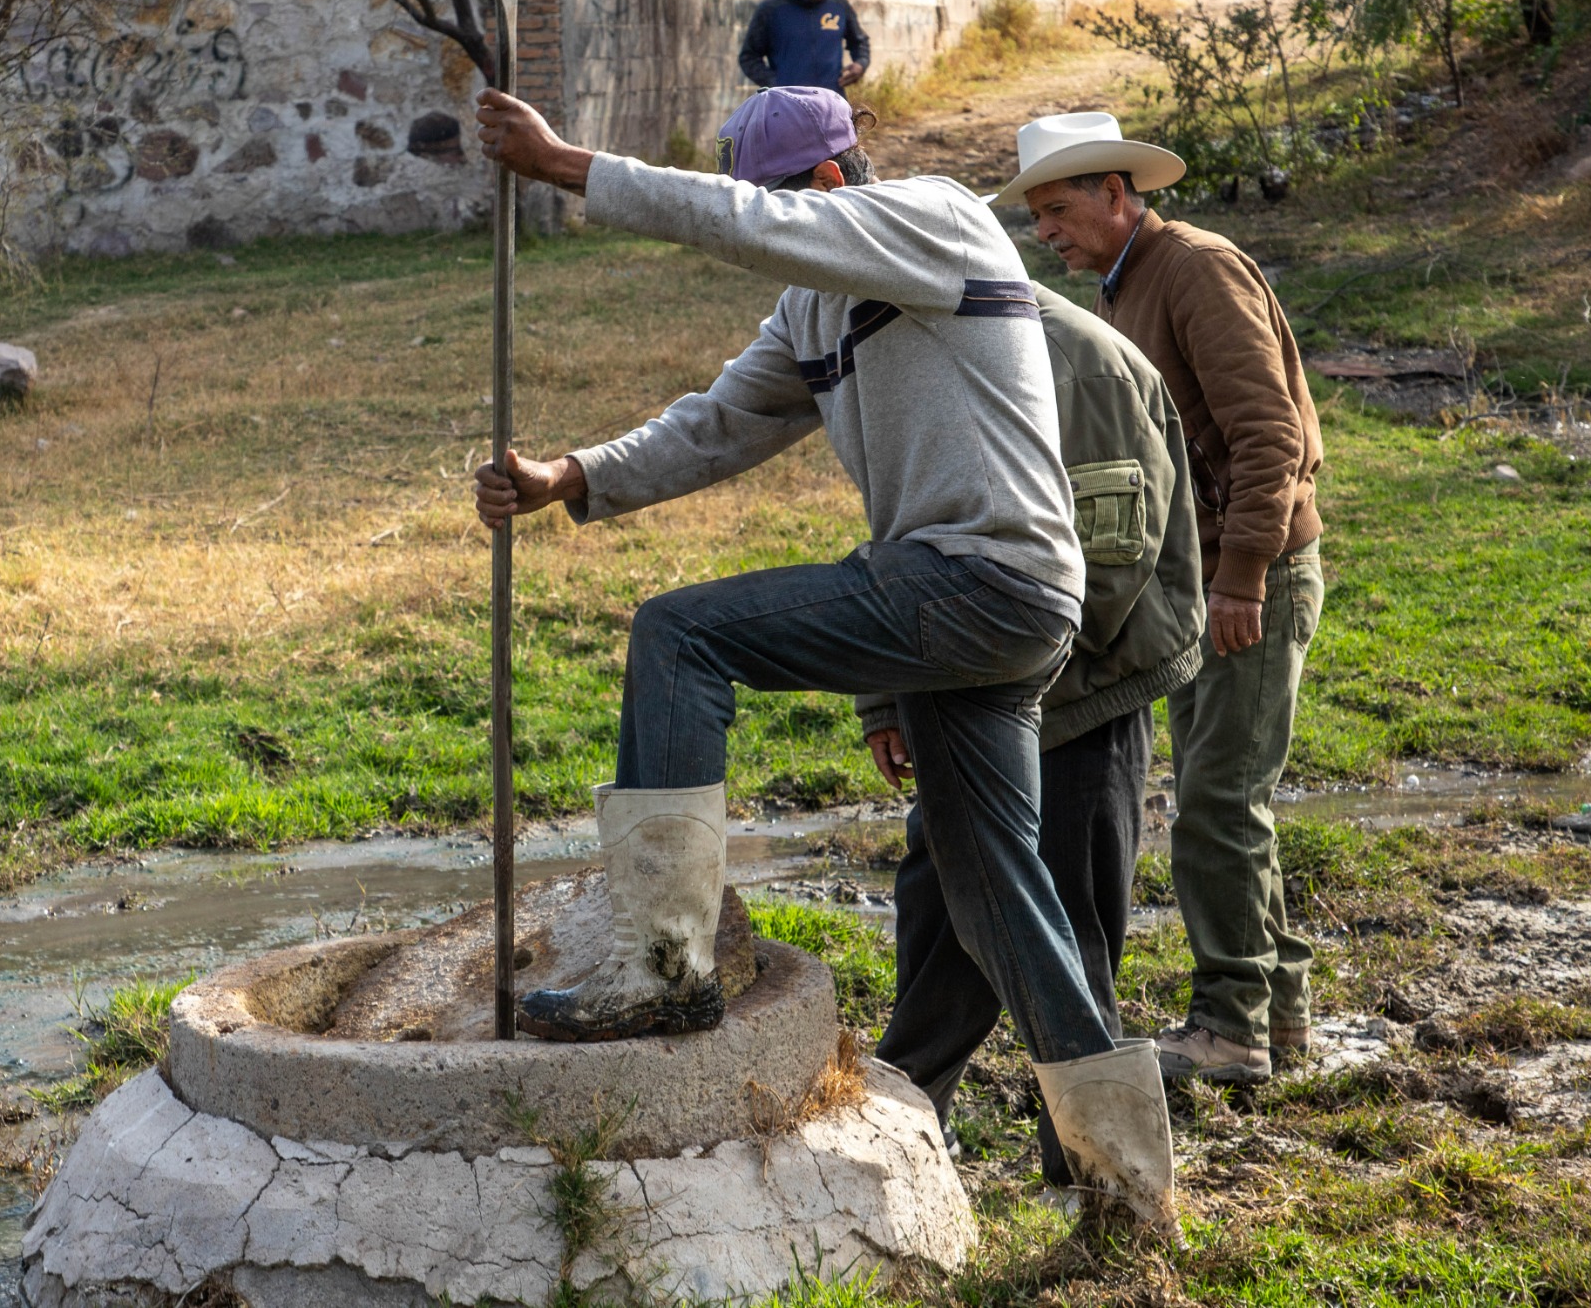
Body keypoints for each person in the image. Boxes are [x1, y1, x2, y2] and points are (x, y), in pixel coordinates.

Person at [471, 83, 1177, 1237]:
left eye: (793, 199)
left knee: (678, 630)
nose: (782, 222)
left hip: (983, 576)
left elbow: (761, 226)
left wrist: (568, 168)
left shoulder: (933, 216)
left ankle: (660, 965)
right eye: (772, 202)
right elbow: (718, 421)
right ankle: (1127, 1192)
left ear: (841, 181)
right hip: (978, 611)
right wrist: (574, 475)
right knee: (997, 886)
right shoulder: (813, 310)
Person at [1008, 112, 1327, 1086]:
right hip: (1202, 579)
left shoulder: (1193, 266)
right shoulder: (1123, 283)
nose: (1045, 232)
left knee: (1218, 801)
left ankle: (1229, 1025)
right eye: (1034, 217)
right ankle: (1279, 1021)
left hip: (1251, 576)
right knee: (1223, 797)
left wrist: (1239, 575)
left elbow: (1269, 432)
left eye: (1058, 209)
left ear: (1116, 192)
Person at [872, 267, 1207, 1188]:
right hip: (970, 677)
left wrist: (994, 693)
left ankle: (1096, 1176)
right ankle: (896, 1128)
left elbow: (1109, 566)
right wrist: (886, 699)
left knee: (1070, 921)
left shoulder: (1084, 363)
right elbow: (893, 537)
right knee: (938, 900)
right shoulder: (908, 350)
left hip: (1087, 684)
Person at [738, 0, 870, 94]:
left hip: (832, 104)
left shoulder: (838, 6)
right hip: (788, 106)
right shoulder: (772, 10)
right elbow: (749, 57)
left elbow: (860, 42)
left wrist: (860, 64)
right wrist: (776, 83)